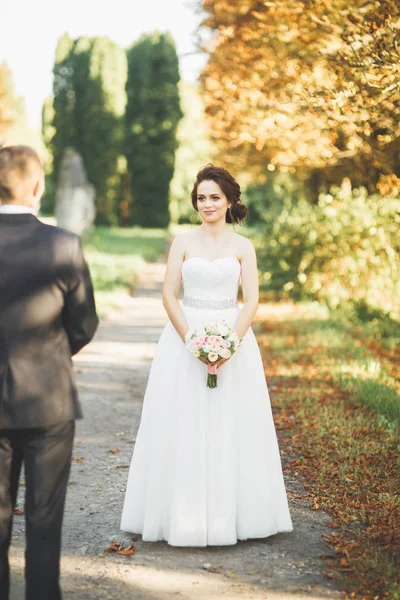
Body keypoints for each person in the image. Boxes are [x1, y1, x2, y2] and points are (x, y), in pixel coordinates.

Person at [121, 164, 293, 546]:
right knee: (182, 421)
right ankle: (180, 515)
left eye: (215, 197)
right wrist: (193, 343)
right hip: (185, 338)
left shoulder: (243, 247)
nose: (208, 204)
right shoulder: (182, 242)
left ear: (230, 199)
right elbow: (168, 295)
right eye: (201, 197)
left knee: (232, 423)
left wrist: (230, 342)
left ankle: (234, 516)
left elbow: (252, 301)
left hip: (234, 337)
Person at [0, 145, 99, 599]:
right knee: (43, 519)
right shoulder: (63, 245)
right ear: (38, 188)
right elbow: (83, 325)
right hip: (49, 400)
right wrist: (52, 357)